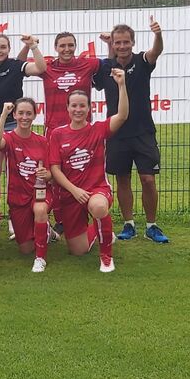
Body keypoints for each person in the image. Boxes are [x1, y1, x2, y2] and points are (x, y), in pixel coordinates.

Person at [93, 17, 169, 243]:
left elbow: (156, 52)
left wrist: (158, 34)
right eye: (118, 42)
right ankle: (129, 224)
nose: (122, 46)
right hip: (116, 134)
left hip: (143, 131)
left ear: (133, 42)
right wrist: (108, 48)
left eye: (126, 42)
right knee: (122, 179)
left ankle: (151, 226)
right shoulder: (106, 67)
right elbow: (99, 79)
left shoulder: (141, 61)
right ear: (113, 44)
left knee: (148, 179)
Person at [49, 69, 128, 273]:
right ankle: (102, 232)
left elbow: (122, 116)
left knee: (99, 207)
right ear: (67, 108)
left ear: (89, 108)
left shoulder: (98, 129)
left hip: (96, 189)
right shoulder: (57, 134)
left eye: (82, 106)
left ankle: (106, 258)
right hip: (71, 194)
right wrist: (74, 190)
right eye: (74, 106)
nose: (78, 109)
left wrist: (121, 85)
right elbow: (55, 169)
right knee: (78, 250)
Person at [35, 31, 102, 236]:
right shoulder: (47, 67)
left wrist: (109, 45)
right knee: (55, 175)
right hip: (54, 131)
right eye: (62, 45)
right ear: (55, 47)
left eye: (70, 45)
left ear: (75, 46)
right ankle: (60, 219)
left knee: (84, 171)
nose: (66, 49)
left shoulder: (88, 65)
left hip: (82, 131)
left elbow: (111, 65)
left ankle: (92, 214)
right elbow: (23, 66)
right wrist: (30, 46)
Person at [0, 99, 57, 273]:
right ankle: (46, 231)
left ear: (35, 115)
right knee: (26, 249)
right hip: (18, 197)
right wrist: (4, 114)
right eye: (20, 113)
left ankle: (40, 258)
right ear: (15, 115)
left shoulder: (43, 141)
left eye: (29, 113)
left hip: (40, 193)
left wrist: (45, 174)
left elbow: (51, 174)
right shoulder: (10, 138)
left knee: (40, 210)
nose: (24, 117)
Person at [0, 33, 46, 180]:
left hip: (14, 125)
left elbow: (40, 68)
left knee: (20, 172)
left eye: (3, 47)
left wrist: (32, 46)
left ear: (9, 49)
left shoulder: (15, 65)